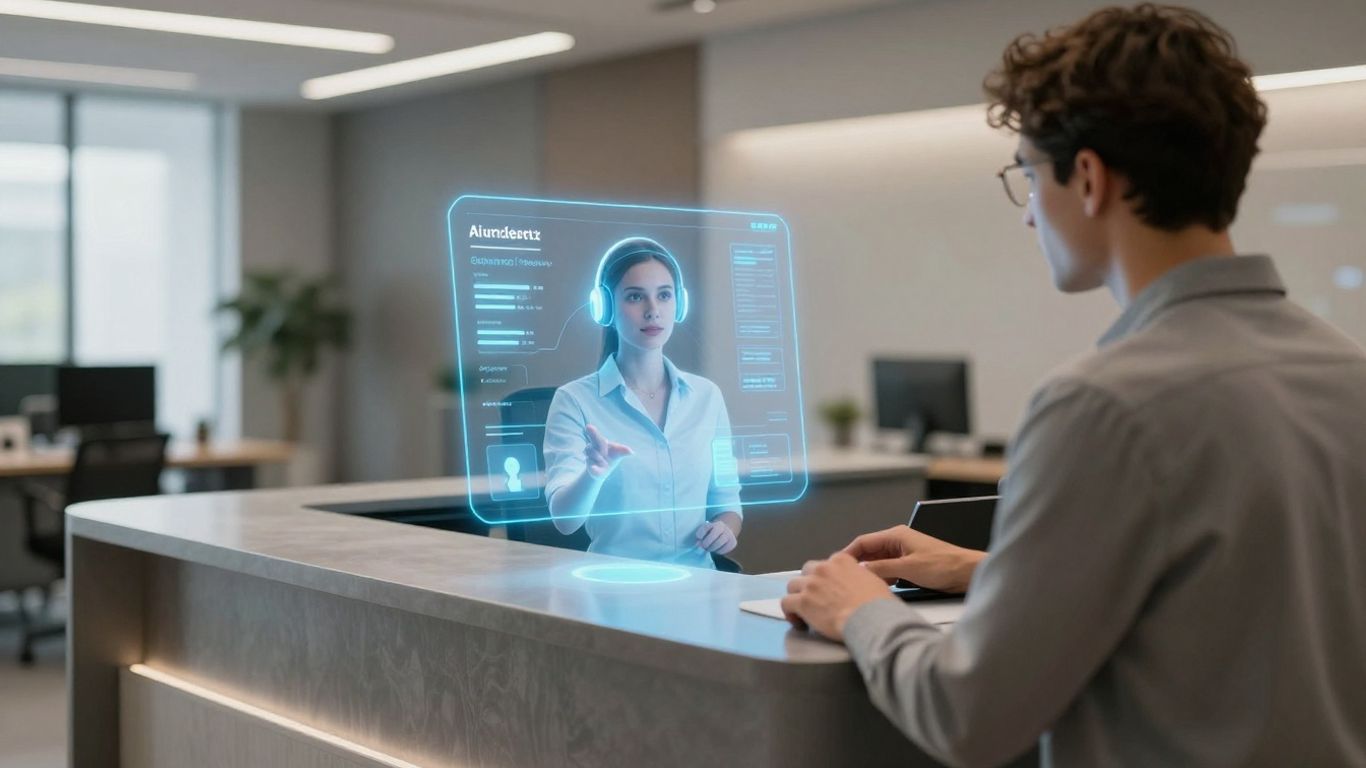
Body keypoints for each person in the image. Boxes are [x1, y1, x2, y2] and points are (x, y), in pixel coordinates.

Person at [781, 5, 1366, 767]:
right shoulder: (1347, 372)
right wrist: (987, 573)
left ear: (1087, 178)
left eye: (1027, 175)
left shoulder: (1102, 407)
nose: (1029, 216)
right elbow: (1242, 606)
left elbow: (969, 714)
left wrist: (859, 613)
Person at [543, 237, 743, 569]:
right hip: (615, 591)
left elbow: (727, 502)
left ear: (678, 305)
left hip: (699, 589)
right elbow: (565, 521)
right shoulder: (574, 401)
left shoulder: (708, 397)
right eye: (635, 296)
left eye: (664, 295)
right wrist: (594, 475)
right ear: (604, 307)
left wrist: (725, 529)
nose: (653, 310)